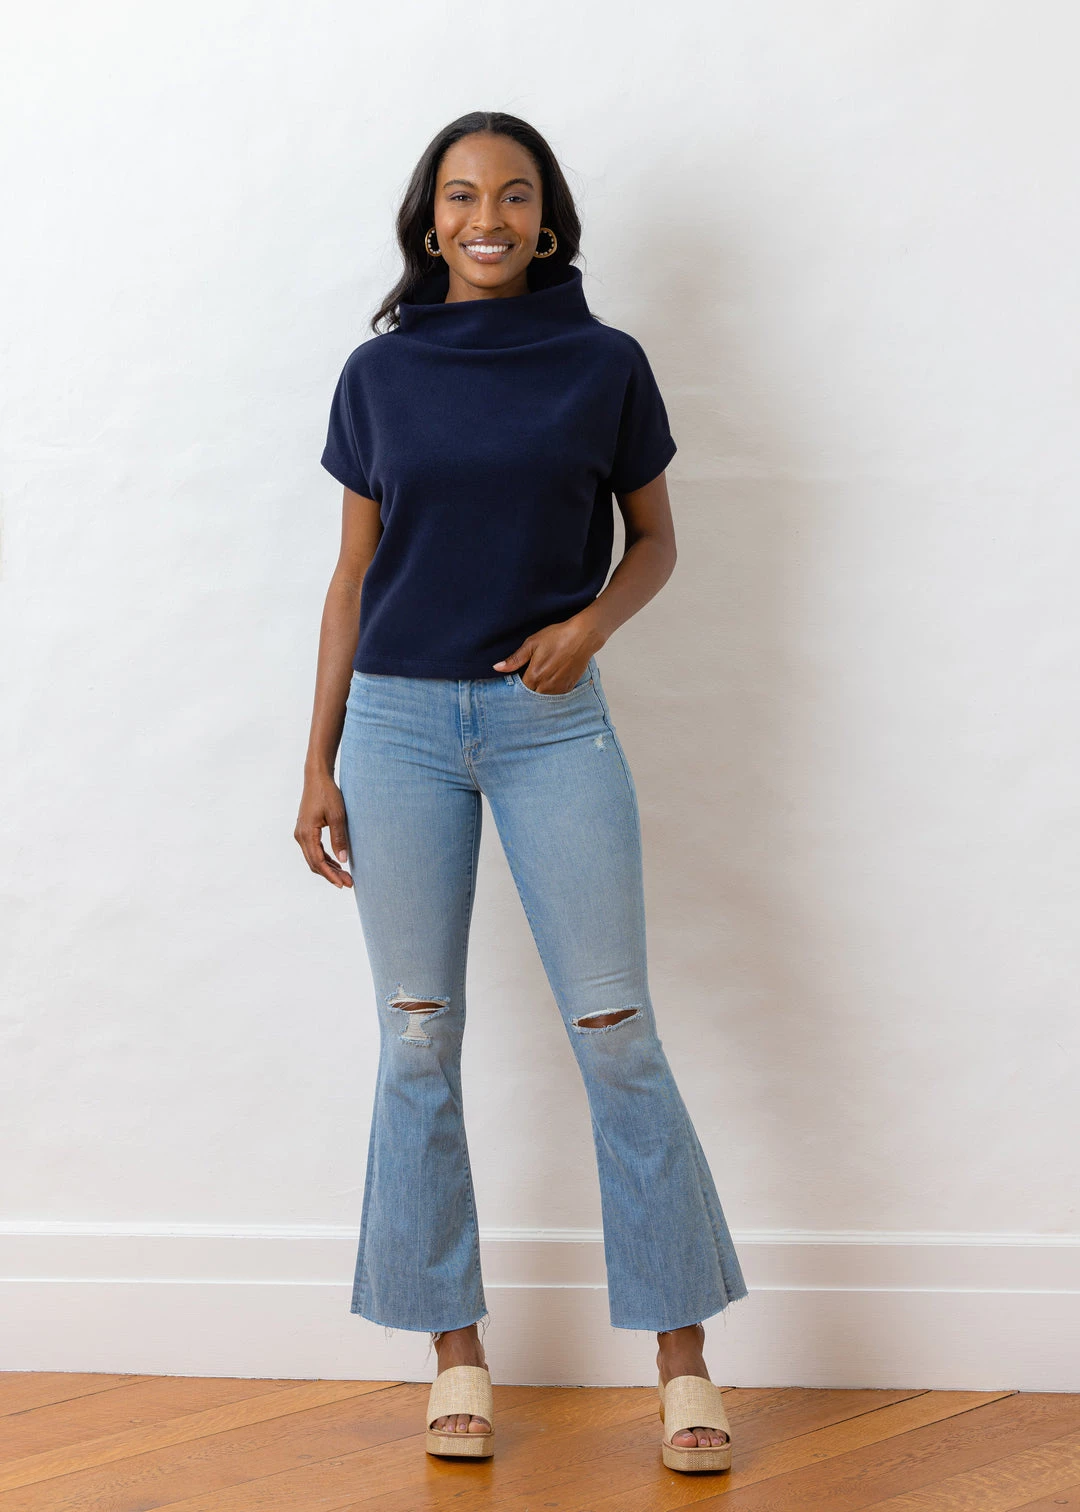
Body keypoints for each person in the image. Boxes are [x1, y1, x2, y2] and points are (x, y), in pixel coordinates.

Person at [296, 110, 748, 1474]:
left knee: (617, 1033)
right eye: (459, 195)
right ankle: (456, 1356)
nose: (484, 218)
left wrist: (589, 628)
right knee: (417, 1040)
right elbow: (354, 575)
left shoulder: (605, 364)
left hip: (552, 726)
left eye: (510, 195)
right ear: (428, 218)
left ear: (545, 220)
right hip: (396, 727)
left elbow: (656, 540)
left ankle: (683, 1365)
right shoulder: (380, 374)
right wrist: (316, 760)